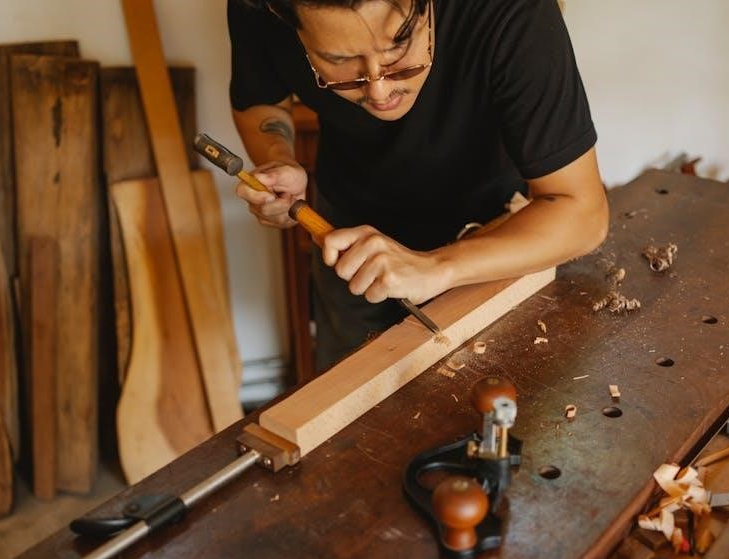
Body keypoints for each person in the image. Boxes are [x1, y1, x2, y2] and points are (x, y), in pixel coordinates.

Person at [228, 0, 609, 371]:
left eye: (398, 48)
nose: (380, 91)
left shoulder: (512, 11)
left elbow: (582, 212)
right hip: (347, 239)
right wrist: (278, 155)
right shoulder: (259, 7)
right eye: (341, 61)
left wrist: (435, 267)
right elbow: (260, 101)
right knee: (351, 394)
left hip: (497, 233)